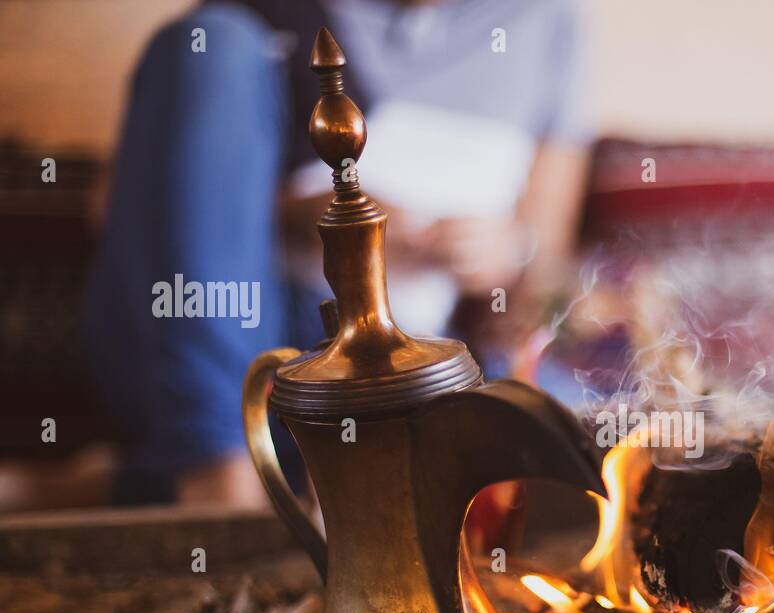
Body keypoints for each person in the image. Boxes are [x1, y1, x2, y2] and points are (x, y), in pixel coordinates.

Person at [82, 0, 591, 507]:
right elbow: (113, 207)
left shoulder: (547, 21)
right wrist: (302, 219)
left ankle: (135, 484)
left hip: (414, 366)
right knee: (213, 39)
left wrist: (510, 252)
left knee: (565, 415)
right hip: (251, 347)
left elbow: (546, 264)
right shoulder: (257, 18)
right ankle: (219, 477)